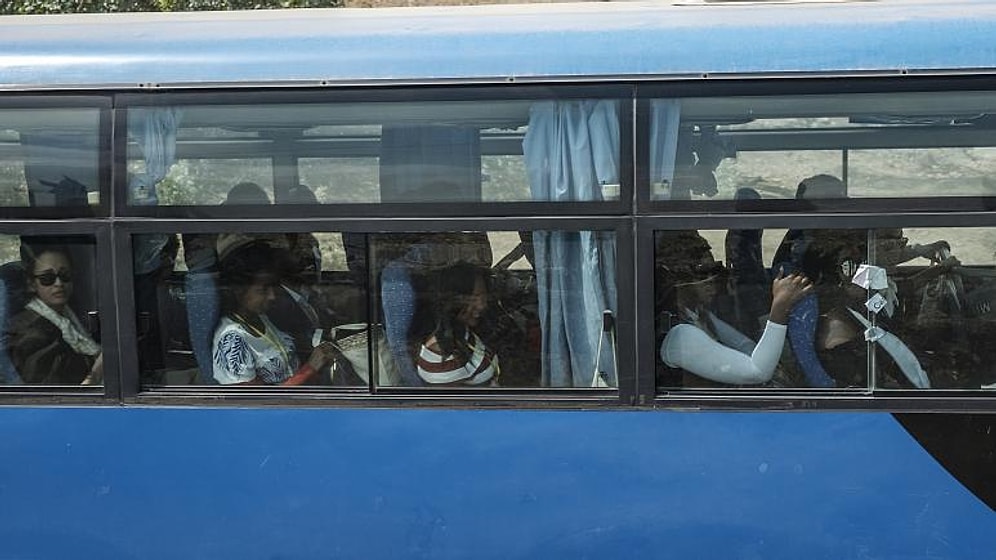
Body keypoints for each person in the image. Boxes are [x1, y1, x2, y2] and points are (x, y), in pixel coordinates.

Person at [656, 231, 812, 386]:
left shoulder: (696, 313)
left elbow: (744, 346)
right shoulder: (681, 335)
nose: (713, 279)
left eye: (715, 269)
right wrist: (780, 306)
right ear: (677, 280)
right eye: (703, 273)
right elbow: (757, 372)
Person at [211, 242, 335, 385]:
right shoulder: (232, 340)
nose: (272, 296)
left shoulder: (261, 318)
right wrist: (310, 369)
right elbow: (254, 402)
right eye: (263, 290)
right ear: (239, 291)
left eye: (274, 287)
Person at [7, 242, 102, 385]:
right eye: (47, 278)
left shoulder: (72, 317)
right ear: (31, 284)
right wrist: (99, 368)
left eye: (65, 275)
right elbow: (56, 391)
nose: (58, 283)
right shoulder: (29, 333)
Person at [415, 262, 499, 386]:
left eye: (483, 296)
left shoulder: (462, 333)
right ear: (451, 302)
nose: (482, 305)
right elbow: (452, 404)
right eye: (473, 299)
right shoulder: (440, 357)